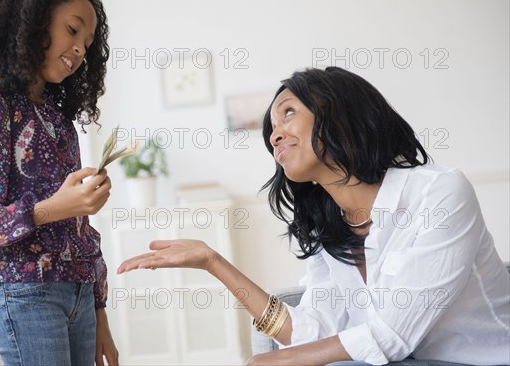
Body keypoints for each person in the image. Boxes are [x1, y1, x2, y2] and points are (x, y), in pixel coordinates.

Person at [118, 67, 510, 365]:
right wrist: (213, 262)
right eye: (271, 127)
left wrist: (269, 361)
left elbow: (391, 337)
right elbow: (311, 333)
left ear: (341, 115)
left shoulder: (438, 192)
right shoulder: (330, 228)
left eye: (288, 113)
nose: (274, 134)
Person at [0, 0, 119, 365]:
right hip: (22, 292)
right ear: (34, 21)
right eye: (72, 30)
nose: (79, 49)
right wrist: (56, 207)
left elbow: (78, 228)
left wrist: (98, 310)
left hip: (76, 292)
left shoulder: (57, 116)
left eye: (88, 43)